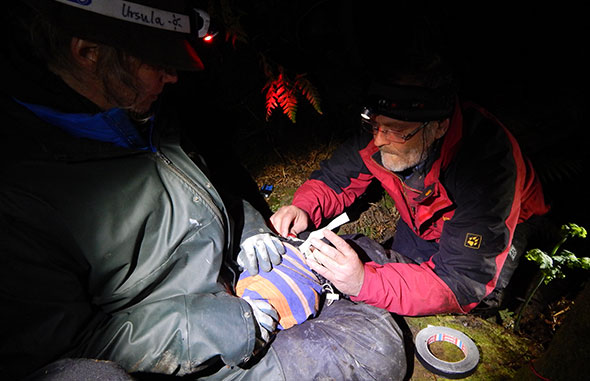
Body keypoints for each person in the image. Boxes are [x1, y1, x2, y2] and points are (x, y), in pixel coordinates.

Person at [0, 1, 407, 380]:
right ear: (88, 52)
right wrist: (214, 328)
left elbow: (215, 185)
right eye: (157, 60)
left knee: (356, 266)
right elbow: (67, 353)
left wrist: (250, 230)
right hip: (194, 346)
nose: (172, 75)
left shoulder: (138, 108)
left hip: (236, 275)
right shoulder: (21, 192)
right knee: (373, 351)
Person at [270, 53, 551, 317]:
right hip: (422, 210)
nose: (379, 140)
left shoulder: (487, 165)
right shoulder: (389, 126)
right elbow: (336, 178)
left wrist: (361, 282)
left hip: (505, 225)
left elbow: (463, 281)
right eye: (375, 125)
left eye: (396, 130)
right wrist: (302, 208)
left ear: (439, 126)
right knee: (398, 271)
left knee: (475, 304)